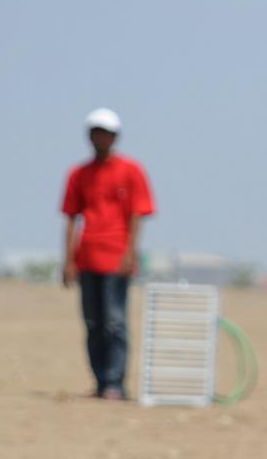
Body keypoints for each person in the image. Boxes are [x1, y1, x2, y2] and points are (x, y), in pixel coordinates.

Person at [61, 108, 156, 400]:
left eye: (106, 133)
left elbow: (139, 213)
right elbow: (71, 217)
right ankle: (100, 381)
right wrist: (68, 260)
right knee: (93, 323)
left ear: (115, 137)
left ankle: (115, 382)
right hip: (87, 256)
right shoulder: (79, 174)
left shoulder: (131, 170)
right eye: (95, 132)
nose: (100, 138)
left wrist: (131, 253)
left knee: (115, 321)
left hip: (116, 256)